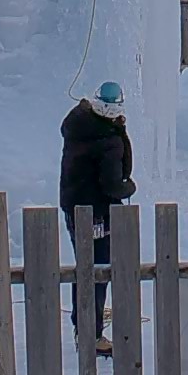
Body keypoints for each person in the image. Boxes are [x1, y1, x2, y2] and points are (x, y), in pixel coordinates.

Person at [59, 80, 136, 334]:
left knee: (84, 265)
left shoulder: (78, 124)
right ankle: (91, 331)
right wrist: (129, 187)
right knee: (97, 269)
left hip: (73, 208)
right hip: (97, 214)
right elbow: (112, 185)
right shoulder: (108, 141)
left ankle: (83, 326)